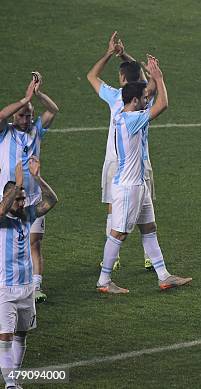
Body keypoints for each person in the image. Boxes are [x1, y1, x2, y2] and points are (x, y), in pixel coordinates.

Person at [96, 56, 191, 293]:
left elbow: (149, 94)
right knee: (118, 233)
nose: (146, 100)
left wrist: (154, 77)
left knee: (149, 227)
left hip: (138, 184)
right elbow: (163, 105)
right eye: (143, 99)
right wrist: (158, 78)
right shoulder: (131, 120)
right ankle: (104, 280)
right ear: (134, 101)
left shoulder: (127, 113)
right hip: (129, 188)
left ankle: (164, 275)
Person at [87, 31, 157, 271]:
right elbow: (143, 77)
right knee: (144, 208)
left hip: (114, 160)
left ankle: (112, 258)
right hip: (140, 161)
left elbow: (91, 75)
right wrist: (125, 55)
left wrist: (111, 53)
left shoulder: (115, 96)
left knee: (114, 207)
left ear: (120, 78)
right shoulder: (145, 95)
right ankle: (149, 257)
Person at [0, 74, 59, 303]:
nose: (26, 119)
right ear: (16, 115)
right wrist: (25, 99)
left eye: (29, 115)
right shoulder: (6, 132)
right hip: (7, 196)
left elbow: (53, 110)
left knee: (34, 241)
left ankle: (35, 286)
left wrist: (38, 94)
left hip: (31, 197)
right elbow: (1, 115)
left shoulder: (36, 130)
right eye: (23, 115)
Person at [0, 157, 58, 388]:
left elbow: (52, 200)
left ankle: (13, 377)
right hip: (4, 288)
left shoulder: (28, 216)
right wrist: (17, 185)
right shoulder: (2, 221)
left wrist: (36, 178)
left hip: (27, 290)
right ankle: (11, 384)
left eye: (23, 199)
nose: (22, 202)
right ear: (8, 199)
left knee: (22, 336)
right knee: (5, 337)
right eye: (18, 199)